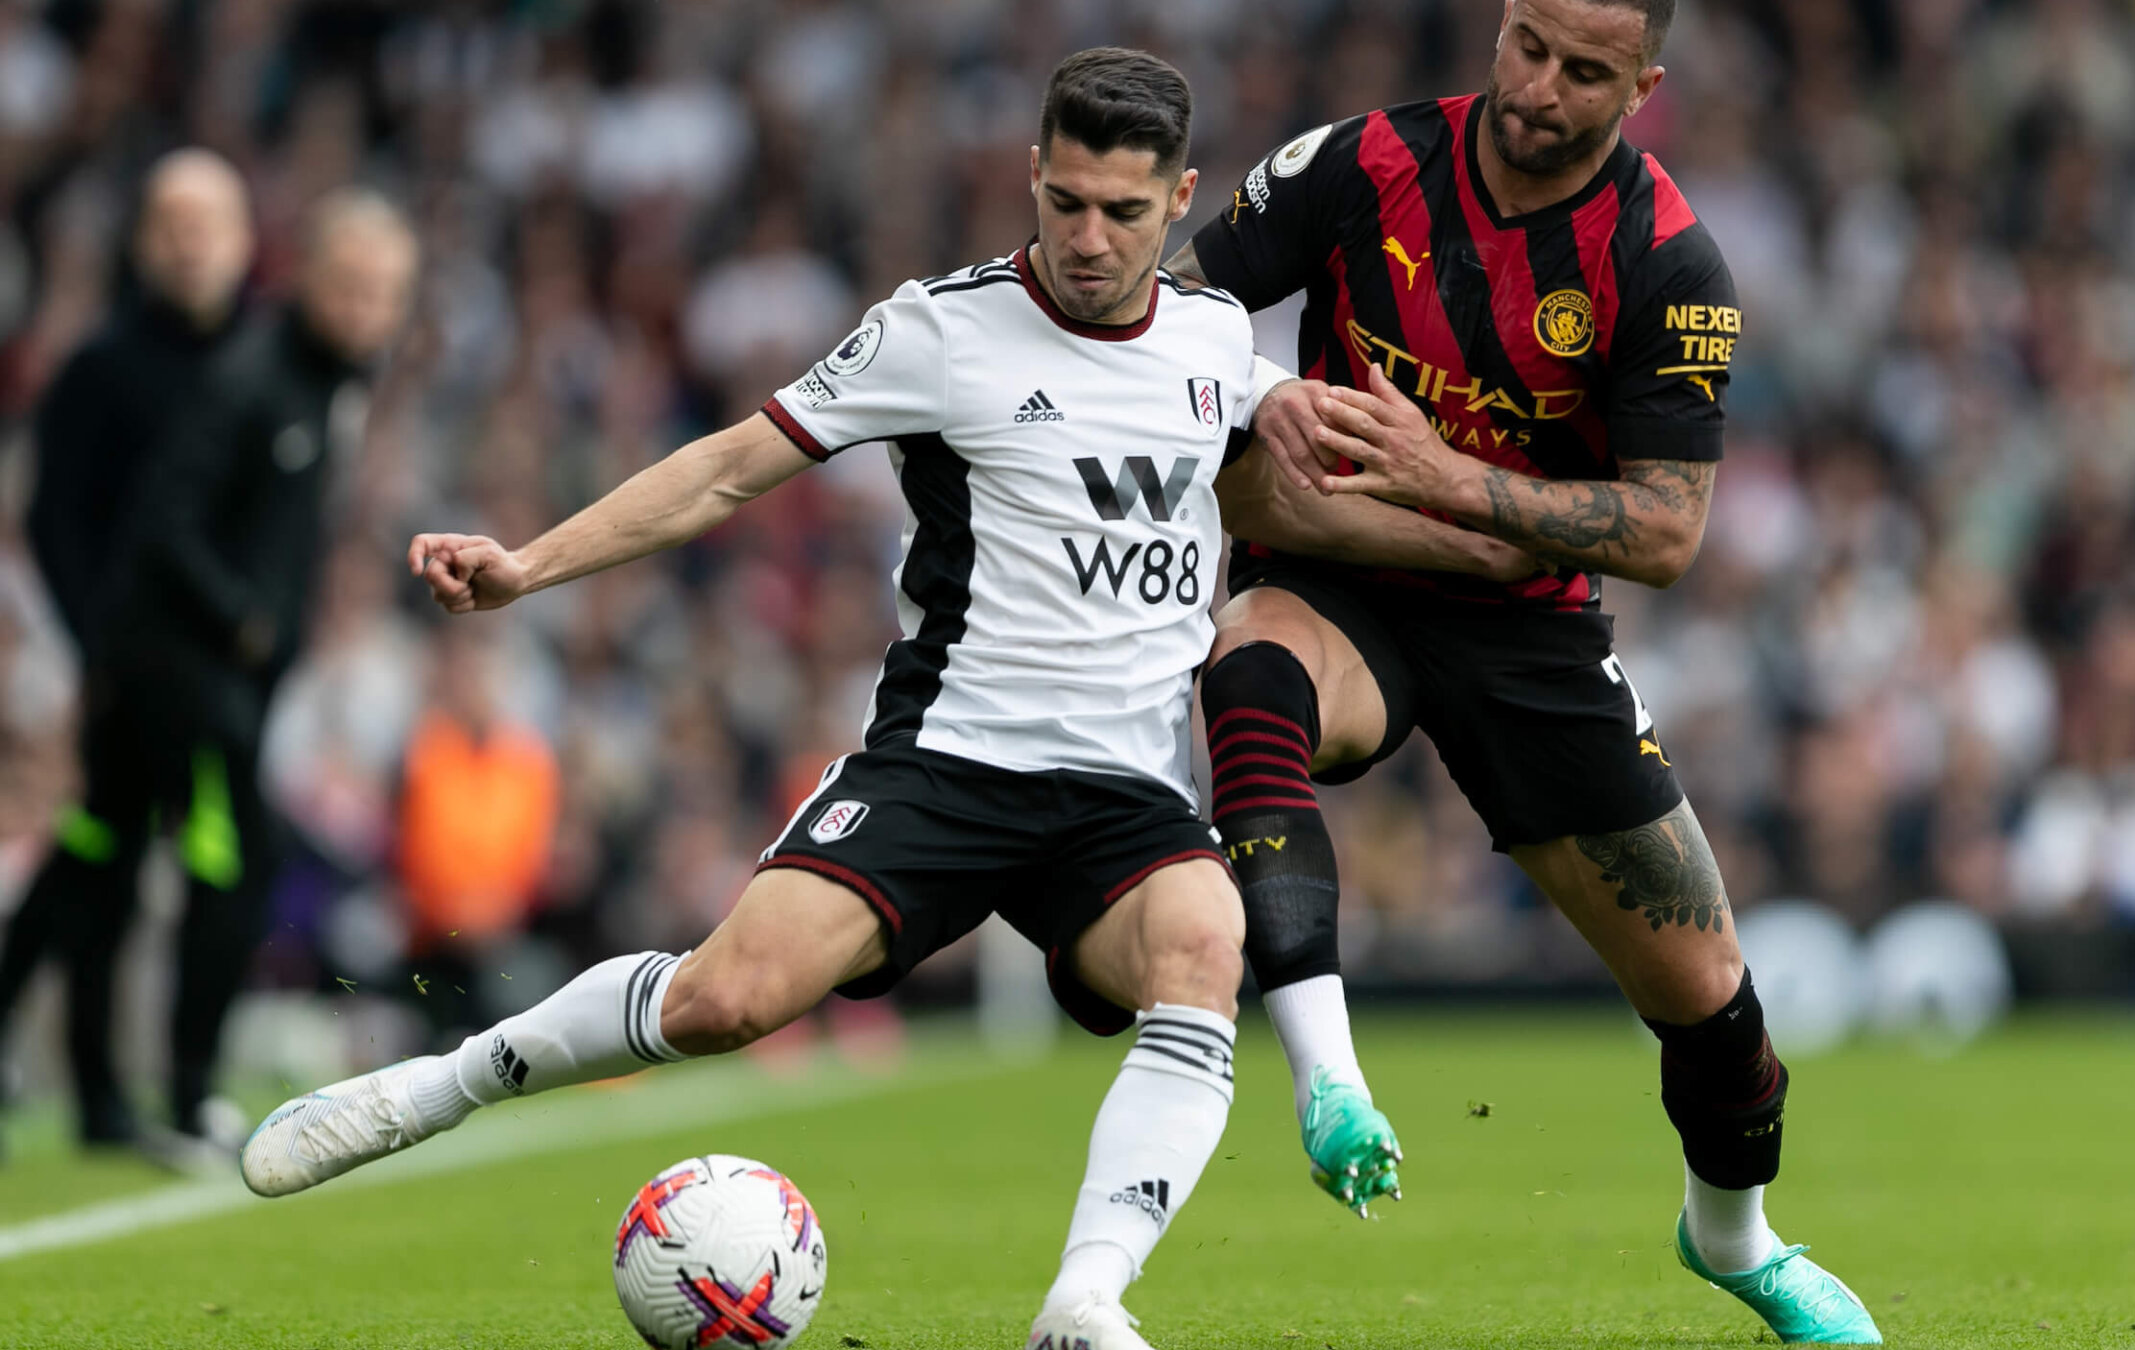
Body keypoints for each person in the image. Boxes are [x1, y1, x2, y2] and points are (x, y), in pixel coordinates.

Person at [240, 49, 1527, 1350]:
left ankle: (1085, 1301)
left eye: (1124, 212)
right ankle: (434, 1088)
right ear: (1032, 172)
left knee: (1204, 948)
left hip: (1127, 791)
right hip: (947, 761)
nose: (1088, 237)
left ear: (1181, 199)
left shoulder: (1214, 347)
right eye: (1065, 201)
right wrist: (528, 566)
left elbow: (1303, 467)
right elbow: (727, 469)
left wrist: (1502, 535)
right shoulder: (942, 327)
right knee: (717, 1004)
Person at [1164, 0, 1880, 1342]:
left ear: (1645, 86)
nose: (1542, 89)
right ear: (1503, 26)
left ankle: (1734, 1240)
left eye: (1587, 72)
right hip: (1334, 581)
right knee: (1249, 667)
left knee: (1711, 1001)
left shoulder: (1668, 259)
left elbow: (1666, 530)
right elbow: (1175, 310)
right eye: (1530, 47)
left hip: (1530, 630)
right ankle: (1329, 1076)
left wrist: (1455, 480)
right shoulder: (1362, 163)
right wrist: (1263, 399)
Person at [16, 187, 418, 1163]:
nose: (366, 310)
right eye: (351, 286)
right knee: (229, 866)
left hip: (189, 671)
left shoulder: (317, 379)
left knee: (97, 856)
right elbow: (158, 521)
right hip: (179, 675)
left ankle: (114, 1099)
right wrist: (240, 623)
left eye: (384, 294)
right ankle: (192, 1092)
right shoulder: (245, 379)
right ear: (305, 275)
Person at [0, 149, 253, 1152]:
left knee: (131, 861)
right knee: (109, 864)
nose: (190, 248)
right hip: (124, 673)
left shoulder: (261, 368)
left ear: (240, 242)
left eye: (208, 226)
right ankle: (131, 1094)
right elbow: (55, 522)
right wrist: (98, 648)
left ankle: (167, 1087)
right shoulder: (99, 371)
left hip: (221, 676)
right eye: (172, 226)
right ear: (146, 242)